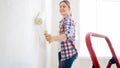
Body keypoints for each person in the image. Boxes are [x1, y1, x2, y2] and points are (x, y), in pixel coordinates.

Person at [44, 0, 78, 68]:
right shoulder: (62, 21)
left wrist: (52, 38)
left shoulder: (68, 20)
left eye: (64, 6)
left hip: (68, 53)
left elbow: (66, 36)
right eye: (60, 6)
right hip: (62, 52)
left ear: (69, 8)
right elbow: (61, 38)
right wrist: (51, 38)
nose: (61, 8)